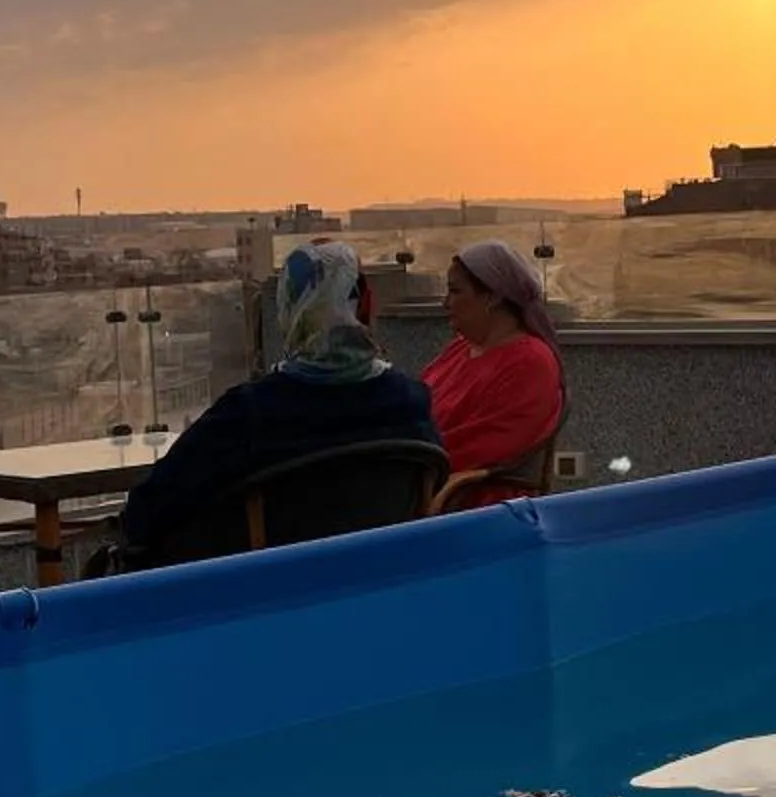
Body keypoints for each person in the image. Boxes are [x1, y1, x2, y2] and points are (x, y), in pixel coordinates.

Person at [116, 240, 436, 561]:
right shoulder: (409, 401)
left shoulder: (250, 412)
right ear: (366, 305)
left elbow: (147, 512)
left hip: (276, 596)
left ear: (288, 312)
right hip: (383, 584)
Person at [424, 241, 565, 506]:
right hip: (420, 480)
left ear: (492, 297)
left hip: (469, 505)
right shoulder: (460, 349)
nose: (445, 303)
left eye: (455, 291)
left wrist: (400, 458)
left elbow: (481, 446)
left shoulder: (530, 363)